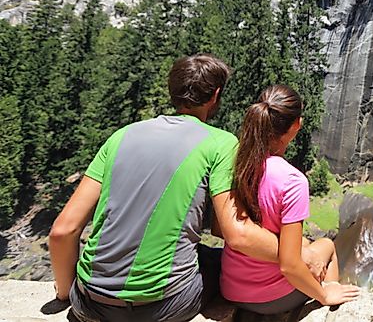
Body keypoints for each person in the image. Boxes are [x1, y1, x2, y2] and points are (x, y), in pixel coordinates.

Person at [49, 54, 282, 322]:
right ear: (215, 95)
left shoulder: (121, 135)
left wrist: (67, 293)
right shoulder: (220, 143)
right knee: (224, 263)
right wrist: (298, 254)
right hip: (163, 306)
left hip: (90, 303)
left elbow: (62, 230)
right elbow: (236, 234)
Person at [220, 85, 360, 314]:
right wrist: (323, 294)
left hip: (231, 287)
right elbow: (289, 264)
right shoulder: (292, 181)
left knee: (305, 243)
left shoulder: (240, 163)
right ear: (296, 125)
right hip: (270, 297)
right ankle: (330, 299)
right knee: (326, 245)